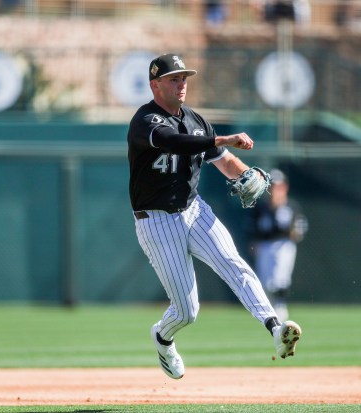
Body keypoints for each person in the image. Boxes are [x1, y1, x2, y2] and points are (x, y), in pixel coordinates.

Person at [127, 53, 303, 380]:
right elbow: (174, 142)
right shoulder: (145, 120)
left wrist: (247, 173)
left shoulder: (196, 120)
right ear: (155, 85)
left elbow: (225, 162)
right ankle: (163, 337)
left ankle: (276, 329)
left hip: (194, 210)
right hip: (156, 220)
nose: (181, 84)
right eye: (173, 79)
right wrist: (222, 137)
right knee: (187, 311)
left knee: (234, 263)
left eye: (184, 78)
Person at [251, 169, 307, 321]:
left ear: (284, 187)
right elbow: (254, 228)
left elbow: (300, 227)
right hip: (265, 245)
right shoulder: (261, 207)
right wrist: (254, 243)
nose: (273, 190)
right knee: (265, 282)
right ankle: (269, 309)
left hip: (284, 244)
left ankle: (281, 306)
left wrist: (295, 232)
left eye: (277, 186)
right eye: (271, 186)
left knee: (280, 278)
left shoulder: (291, 206)